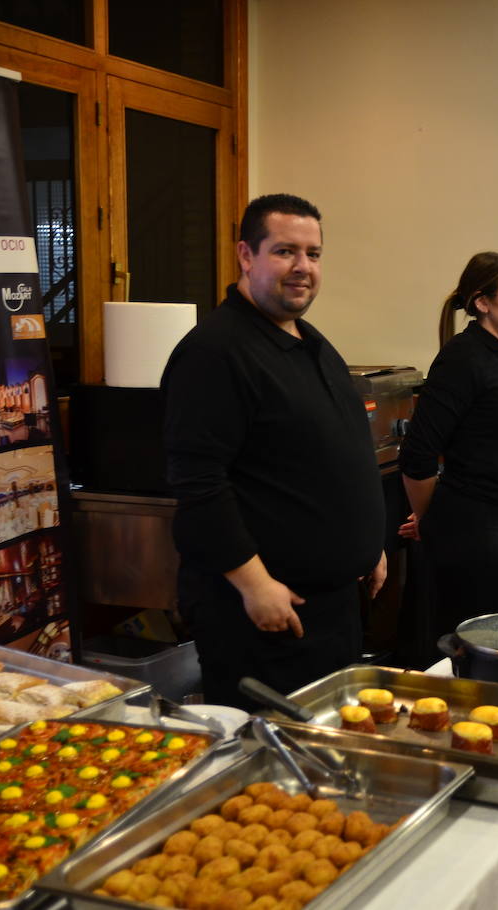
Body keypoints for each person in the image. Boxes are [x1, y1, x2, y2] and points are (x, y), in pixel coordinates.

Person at [162, 194, 386, 709]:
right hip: (267, 610)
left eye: (314, 253)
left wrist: (369, 543)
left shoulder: (308, 339)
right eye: (285, 251)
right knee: (272, 766)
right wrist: (255, 584)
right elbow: (199, 485)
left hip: (333, 605)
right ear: (246, 255)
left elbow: (332, 454)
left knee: (326, 750)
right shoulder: (214, 351)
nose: (303, 267)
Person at [398, 252, 498, 638]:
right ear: (482, 302)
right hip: (478, 528)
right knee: (474, 646)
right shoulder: (463, 358)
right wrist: (433, 520)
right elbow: (418, 454)